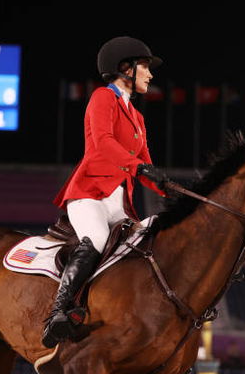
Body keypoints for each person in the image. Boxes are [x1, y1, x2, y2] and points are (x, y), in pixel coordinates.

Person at [42, 36, 169, 348]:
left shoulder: (137, 117)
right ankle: (57, 312)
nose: (150, 75)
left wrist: (169, 189)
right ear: (125, 69)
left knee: (147, 241)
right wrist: (138, 167)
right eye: (145, 68)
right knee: (97, 239)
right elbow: (103, 143)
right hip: (90, 194)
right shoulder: (102, 97)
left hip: (119, 203)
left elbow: (146, 165)